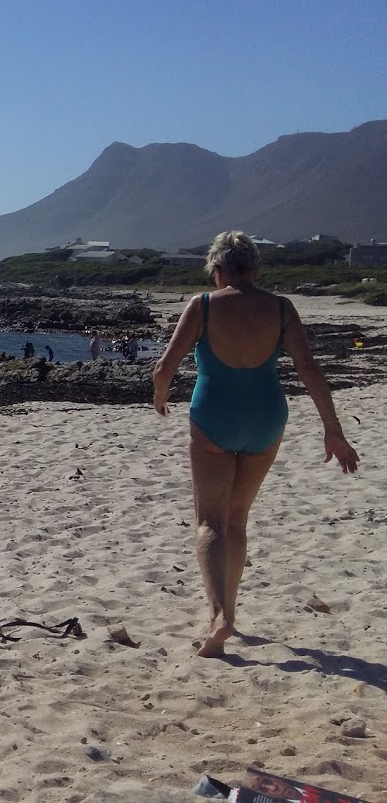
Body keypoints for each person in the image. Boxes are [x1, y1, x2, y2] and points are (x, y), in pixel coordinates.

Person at [152, 230, 360, 658]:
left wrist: (160, 395)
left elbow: (163, 367)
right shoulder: (282, 308)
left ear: (217, 269)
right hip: (267, 418)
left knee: (210, 522)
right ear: (256, 269)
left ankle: (218, 617)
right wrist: (333, 430)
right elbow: (309, 370)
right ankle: (231, 610)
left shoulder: (203, 306)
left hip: (213, 416)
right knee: (238, 520)